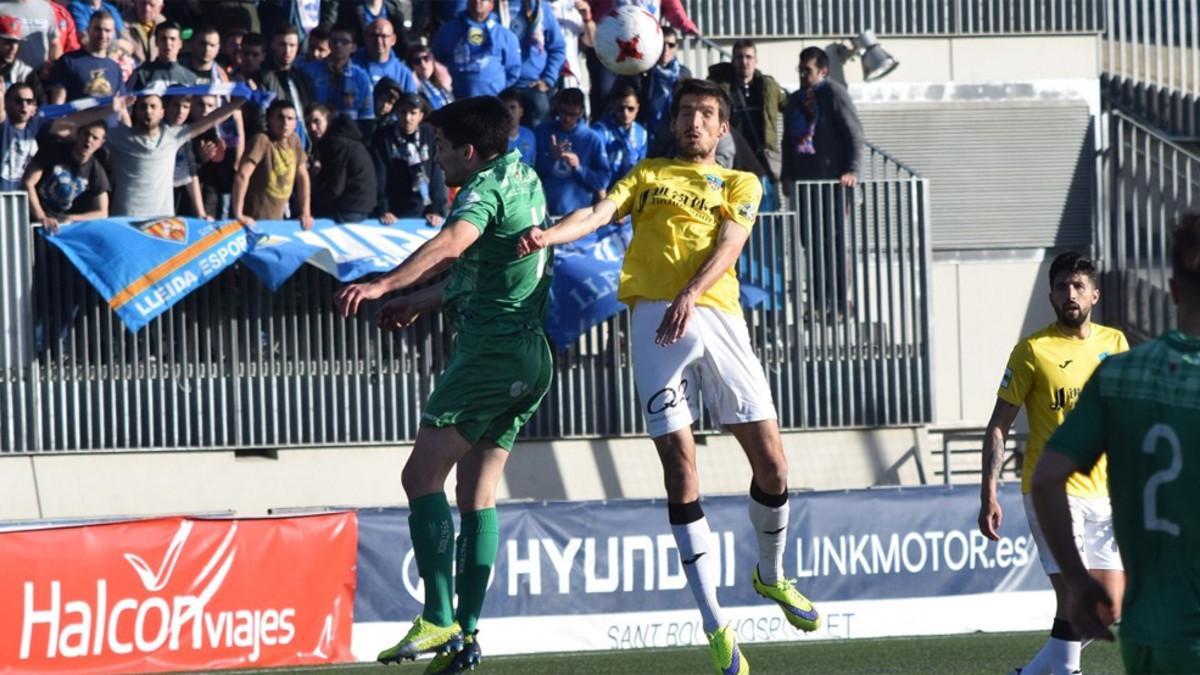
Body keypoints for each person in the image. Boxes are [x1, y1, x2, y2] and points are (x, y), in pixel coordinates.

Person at [516, 78, 819, 675]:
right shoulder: (647, 174)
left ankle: (771, 572)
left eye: (706, 114)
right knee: (681, 468)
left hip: (717, 315)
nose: (694, 122)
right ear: (674, 122)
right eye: (685, 113)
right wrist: (549, 234)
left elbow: (732, 241)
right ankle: (715, 623)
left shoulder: (739, 182)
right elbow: (599, 211)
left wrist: (693, 291)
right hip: (656, 319)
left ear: (723, 127)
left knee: (775, 464)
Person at [334, 95, 553, 675]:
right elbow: (486, 268)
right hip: (529, 356)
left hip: (490, 353)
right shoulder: (522, 173)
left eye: (439, 147)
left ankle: (436, 613)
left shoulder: (481, 189)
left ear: (469, 151)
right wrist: (421, 301)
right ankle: (466, 636)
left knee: (419, 475)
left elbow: (452, 244)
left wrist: (385, 284)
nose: (434, 158)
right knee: (476, 496)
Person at [1032, 215, 1200, 675]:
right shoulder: (1040, 350)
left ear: (1173, 289)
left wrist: (1077, 583)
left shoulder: (1122, 372)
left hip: (1149, 633)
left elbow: (1046, 477)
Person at [978, 252, 1129, 675]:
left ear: (1094, 295)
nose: (1070, 293)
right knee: (1074, 599)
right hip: (1052, 491)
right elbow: (998, 425)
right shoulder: (1032, 350)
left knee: (1109, 605)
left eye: (1079, 285)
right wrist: (988, 492)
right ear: (1050, 295)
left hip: (1104, 492)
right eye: (1062, 286)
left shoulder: (1115, 344)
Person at [106, 91, 243, 216]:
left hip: (161, 222)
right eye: (143, 107)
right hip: (125, 220)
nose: (148, 111)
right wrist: (111, 109)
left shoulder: (173, 136)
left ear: (162, 113)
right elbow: (86, 119)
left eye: (153, 107)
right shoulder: (120, 135)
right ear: (135, 111)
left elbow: (211, 120)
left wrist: (241, 100)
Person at [707, 39, 785, 210]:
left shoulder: (767, 87)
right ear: (733, 60)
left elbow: (789, 106)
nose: (744, 62)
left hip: (762, 163)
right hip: (735, 162)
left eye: (749, 57)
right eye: (739, 57)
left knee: (766, 216)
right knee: (734, 213)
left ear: (756, 61)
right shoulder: (720, 89)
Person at [781, 46, 862, 191]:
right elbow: (787, 141)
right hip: (803, 180)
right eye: (800, 70)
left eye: (808, 70)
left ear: (823, 71)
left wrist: (852, 170)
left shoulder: (834, 93)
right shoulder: (795, 100)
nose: (802, 75)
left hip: (833, 180)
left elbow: (854, 133)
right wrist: (787, 174)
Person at [371, 86, 446, 226]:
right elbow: (379, 174)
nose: (407, 118)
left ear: (421, 116)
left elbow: (436, 173)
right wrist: (383, 208)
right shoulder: (384, 136)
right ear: (397, 113)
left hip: (423, 209)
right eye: (403, 112)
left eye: (413, 113)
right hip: (393, 211)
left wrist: (436, 209)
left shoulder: (429, 135)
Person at [231, 98, 312, 227]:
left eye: (290, 119)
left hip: (278, 222)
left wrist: (305, 212)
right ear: (270, 119)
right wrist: (238, 214)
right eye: (280, 117)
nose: (285, 123)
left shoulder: (294, 141)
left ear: (296, 123)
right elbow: (242, 175)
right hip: (253, 221)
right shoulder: (262, 140)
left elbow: (303, 176)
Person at [532, 86, 608, 218]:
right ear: (557, 108)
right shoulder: (542, 132)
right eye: (563, 112)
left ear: (581, 112)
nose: (567, 118)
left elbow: (602, 180)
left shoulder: (592, 138)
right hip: (545, 213)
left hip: (578, 216)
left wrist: (579, 168)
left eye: (573, 114)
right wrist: (551, 158)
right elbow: (531, 174)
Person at [23, 119, 108, 232]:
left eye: (95, 138)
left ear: (101, 143)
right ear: (78, 133)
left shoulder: (96, 169)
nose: (89, 140)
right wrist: (41, 216)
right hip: (31, 219)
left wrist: (71, 218)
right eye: (86, 134)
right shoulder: (52, 150)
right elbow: (28, 182)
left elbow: (102, 212)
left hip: (61, 227)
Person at [431, 0, 520, 100]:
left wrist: (495, 88)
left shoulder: (504, 36)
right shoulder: (448, 30)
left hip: (492, 102)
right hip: (456, 103)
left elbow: (513, 72)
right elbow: (436, 60)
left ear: (492, 5)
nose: (477, 1)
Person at [617, 24, 688, 146]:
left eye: (671, 45)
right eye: (662, 45)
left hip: (673, 132)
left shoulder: (684, 74)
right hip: (646, 130)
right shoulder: (641, 71)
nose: (666, 50)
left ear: (676, 47)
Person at [502, 0, 565, 127]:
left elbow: (558, 47)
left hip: (533, 85)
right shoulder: (492, 6)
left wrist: (548, 79)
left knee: (540, 123)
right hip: (502, 85)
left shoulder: (540, 7)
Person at [300, 25, 374, 134]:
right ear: (329, 43)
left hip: (348, 138)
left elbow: (367, 117)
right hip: (316, 134)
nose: (338, 45)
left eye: (344, 42)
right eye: (334, 41)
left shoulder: (361, 77)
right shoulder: (309, 71)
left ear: (353, 47)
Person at [310, 112, 376, 222]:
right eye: (308, 124)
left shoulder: (336, 144)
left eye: (317, 121)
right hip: (365, 206)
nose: (312, 128)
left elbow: (335, 188)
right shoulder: (353, 142)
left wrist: (313, 202)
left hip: (348, 207)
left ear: (328, 121)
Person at [46, 9, 123, 103]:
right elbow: (58, 106)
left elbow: (122, 108)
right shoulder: (68, 62)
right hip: (78, 117)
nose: (103, 35)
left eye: (107, 31)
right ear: (88, 30)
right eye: (97, 29)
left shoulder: (115, 67)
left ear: (113, 33)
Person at [591, 84, 646, 187]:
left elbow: (642, 167)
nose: (626, 113)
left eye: (631, 109)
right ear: (613, 106)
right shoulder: (600, 131)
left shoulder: (642, 133)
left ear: (637, 108)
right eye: (621, 108)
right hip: (603, 191)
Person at [126, 21, 196, 89]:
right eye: (163, 39)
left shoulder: (189, 78)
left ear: (180, 44)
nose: (168, 43)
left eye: (173, 39)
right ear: (156, 42)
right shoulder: (141, 74)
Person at [352, 17, 416, 91]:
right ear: (365, 37)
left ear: (393, 40)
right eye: (374, 35)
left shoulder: (403, 74)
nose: (378, 41)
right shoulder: (352, 66)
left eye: (384, 36)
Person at [0, 0, 61, 70]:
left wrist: (54, 67)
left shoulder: (45, 8)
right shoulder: (2, 6)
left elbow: (55, 43)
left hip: (41, 75)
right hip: (11, 75)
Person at [0, 16, 43, 102]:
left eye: (16, 42)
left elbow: (39, 105)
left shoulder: (26, 73)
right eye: (8, 42)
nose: (13, 48)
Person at [407, 42, 451, 111]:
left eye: (426, 58)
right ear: (411, 66)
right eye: (417, 61)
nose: (423, 64)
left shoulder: (444, 84)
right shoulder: (414, 89)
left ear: (433, 60)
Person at [119, 0, 163, 66]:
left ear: (160, 8)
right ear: (136, 3)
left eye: (152, 5)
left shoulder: (164, 25)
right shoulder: (120, 23)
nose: (147, 9)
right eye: (143, 3)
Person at [499, 86, 533, 164]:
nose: (509, 113)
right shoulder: (494, 139)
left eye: (513, 107)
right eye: (504, 109)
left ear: (521, 111)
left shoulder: (530, 136)